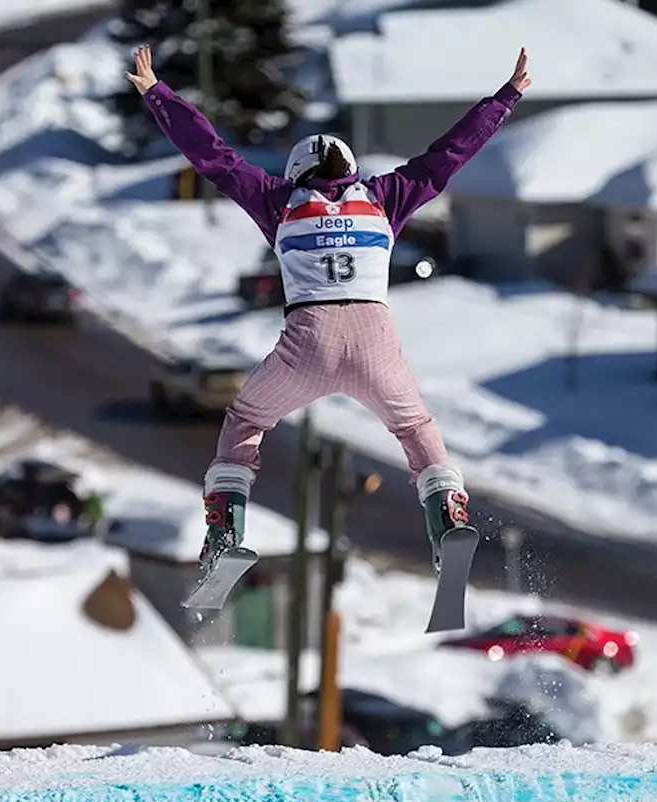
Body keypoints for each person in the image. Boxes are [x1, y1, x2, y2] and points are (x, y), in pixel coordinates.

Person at [125, 43, 531, 573]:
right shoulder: (385, 197)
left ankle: (226, 531)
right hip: (375, 340)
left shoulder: (279, 200)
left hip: (308, 341)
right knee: (415, 430)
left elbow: (214, 156)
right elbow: (447, 156)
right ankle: (448, 518)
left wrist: (158, 93)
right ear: (352, 170)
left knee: (245, 421)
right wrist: (505, 98)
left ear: (297, 174)